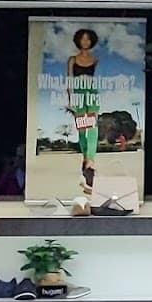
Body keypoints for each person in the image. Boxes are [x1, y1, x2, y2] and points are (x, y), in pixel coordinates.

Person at [66, 28, 100, 193]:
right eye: (82, 39)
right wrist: (70, 100)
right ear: (78, 41)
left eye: (88, 39)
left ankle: (90, 163)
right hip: (78, 94)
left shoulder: (95, 59)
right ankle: (86, 158)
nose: (85, 42)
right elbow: (69, 81)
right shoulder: (72, 59)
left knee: (92, 127)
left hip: (92, 92)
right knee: (82, 130)